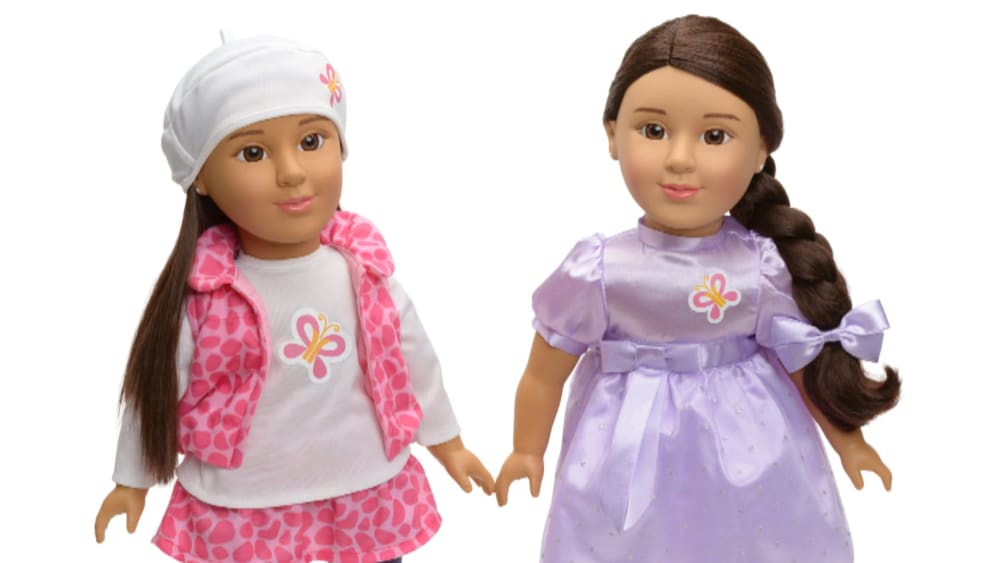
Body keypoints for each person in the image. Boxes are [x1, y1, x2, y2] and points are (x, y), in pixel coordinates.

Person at [494, 15, 899, 562]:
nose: (680, 159)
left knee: (750, 541)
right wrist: (527, 449)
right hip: (627, 447)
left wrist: (850, 442)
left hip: (748, 446)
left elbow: (805, 364)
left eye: (714, 136)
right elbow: (544, 373)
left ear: (761, 149)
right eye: (653, 130)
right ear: (612, 134)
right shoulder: (599, 269)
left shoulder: (760, 266)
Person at [94, 34, 494, 563]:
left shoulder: (364, 273)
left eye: (311, 141)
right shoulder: (207, 294)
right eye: (253, 153)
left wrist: (448, 443)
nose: (291, 172)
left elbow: (414, 362)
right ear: (202, 179)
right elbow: (159, 389)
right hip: (244, 505)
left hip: (364, 492)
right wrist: (132, 481)